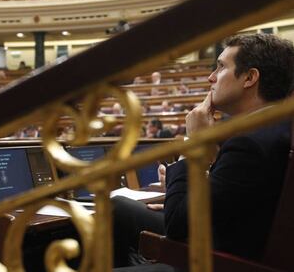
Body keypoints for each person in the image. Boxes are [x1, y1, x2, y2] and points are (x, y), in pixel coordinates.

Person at [112, 33, 294, 271]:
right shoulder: (277, 129)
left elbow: (177, 226)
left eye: (220, 68)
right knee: (121, 207)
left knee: (115, 211)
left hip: (220, 258)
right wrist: (187, 188)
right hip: (231, 235)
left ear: (250, 77)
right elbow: (238, 194)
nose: (211, 77)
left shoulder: (250, 144)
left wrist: (193, 143)